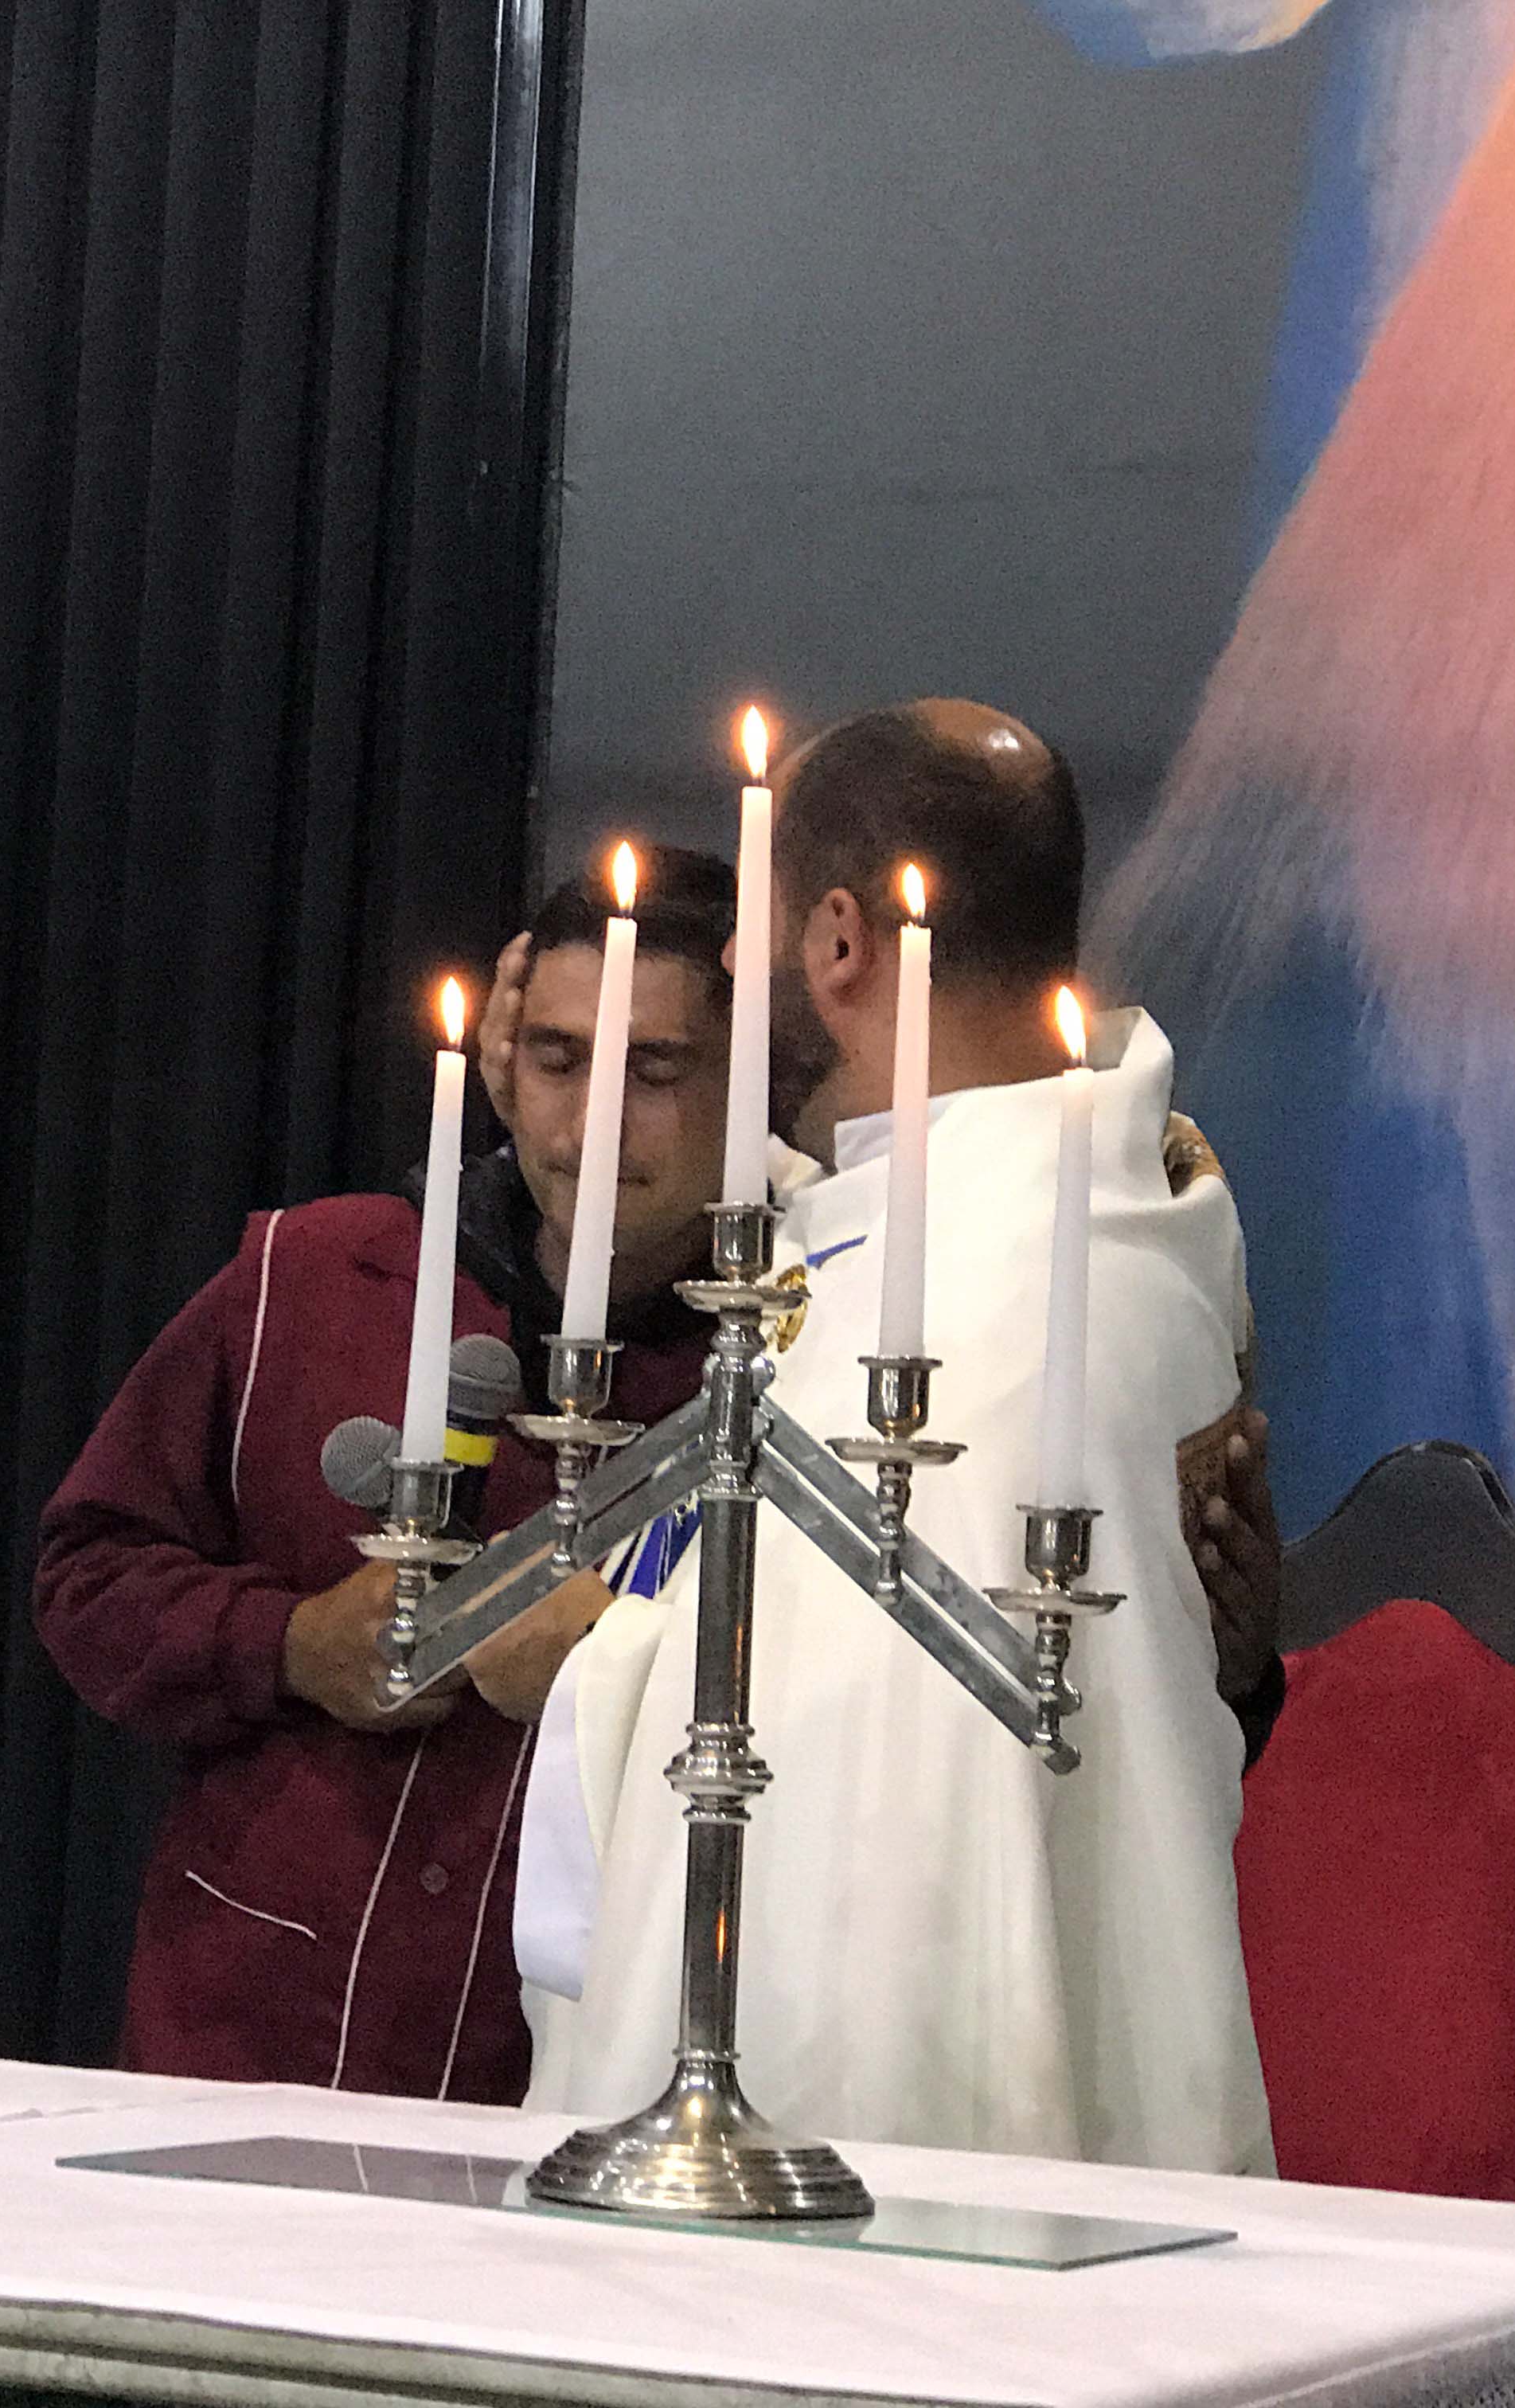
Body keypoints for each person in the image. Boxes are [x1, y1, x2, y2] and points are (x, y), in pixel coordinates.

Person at [520, 700, 1277, 2172]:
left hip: (879, 2139)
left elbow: (856, 1775)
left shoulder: (983, 1294)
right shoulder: (1099, 1215)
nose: (732, 970)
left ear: (842, 943)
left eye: (752, 929)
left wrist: (598, 1656)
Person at [31, 849, 748, 2101]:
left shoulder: (792, 1372)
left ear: (755, 1084)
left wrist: (618, 1670)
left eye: (656, 1071)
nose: (590, 1126)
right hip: (252, 2042)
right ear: (501, 1064)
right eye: (560, 1059)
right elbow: (87, 1578)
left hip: (566, 2078)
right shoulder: (313, 1280)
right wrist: (291, 1644)